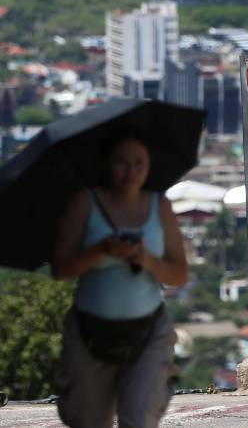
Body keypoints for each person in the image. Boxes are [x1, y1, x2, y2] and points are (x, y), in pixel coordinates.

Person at [51, 129, 188, 428]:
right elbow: (61, 268)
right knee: (88, 420)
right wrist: (101, 250)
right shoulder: (85, 203)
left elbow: (179, 273)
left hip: (148, 329)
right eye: (122, 163)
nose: (131, 171)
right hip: (89, 331)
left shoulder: (159, 207)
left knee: (139, 418)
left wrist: (148, 261)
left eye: (139, 162)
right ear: (106, 165)